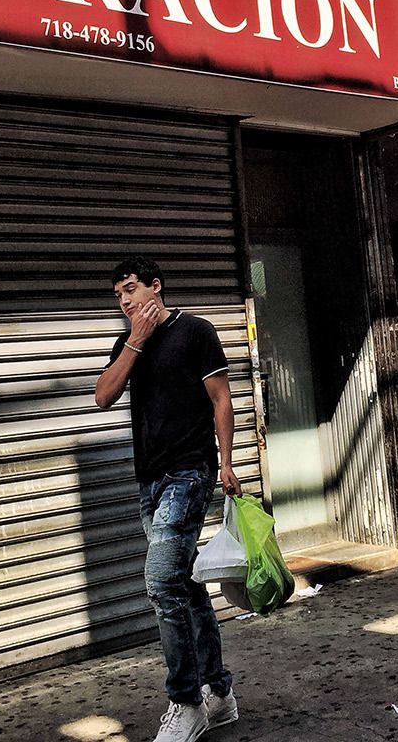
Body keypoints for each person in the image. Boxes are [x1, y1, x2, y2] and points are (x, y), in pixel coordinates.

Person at [95, 256, 241, 742]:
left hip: (189, 473)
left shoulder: (195, 331)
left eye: (131, 289)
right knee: (185, 584)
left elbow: (221, 398)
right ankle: (219, 693)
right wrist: (135, 340)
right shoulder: (127, 342)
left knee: (161, 582)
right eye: (118, 295)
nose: (125, 301)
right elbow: (102, 395)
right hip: (149, 482)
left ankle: (186, 701)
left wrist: (225, 462)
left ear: (156, 287)